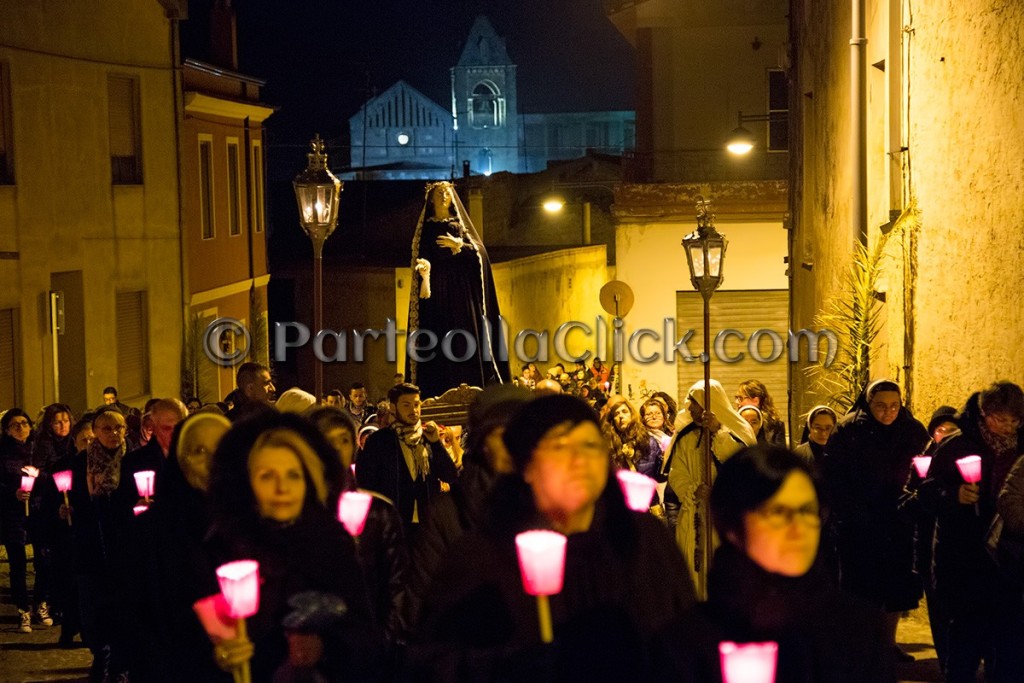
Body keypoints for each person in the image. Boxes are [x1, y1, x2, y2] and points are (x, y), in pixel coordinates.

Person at [411, 394, 696, 681]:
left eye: (590, 446)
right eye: (560, 447)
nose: (579, 460)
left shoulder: (642, 538)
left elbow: (684, 640)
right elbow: (437, 659)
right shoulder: (482, 555)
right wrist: (513, 665)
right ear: (526, 465)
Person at [658, 446, 893, 682]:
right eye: (778, 512)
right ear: (732, 524)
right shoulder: (685, 645)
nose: (798, 528)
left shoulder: (859, 631)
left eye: (807, 511)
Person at [206, 413, 379, 682]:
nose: (282, 488)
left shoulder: (331, 545)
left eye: (293, 475)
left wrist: (325, 648)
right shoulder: (226, 550)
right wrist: (223, 657)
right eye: (267, 476)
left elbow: (365, 639)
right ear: (248, 485)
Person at [402, 385, 532, 634]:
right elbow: (421, 610)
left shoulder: (553, 506)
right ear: (483, 443)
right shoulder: (447, 515)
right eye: (504, 434)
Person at [919, 382, 1024, 682]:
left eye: (1014, 420)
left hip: (1009, 559)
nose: (1007, 427)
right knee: (965, 642)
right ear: (983, 413)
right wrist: (953, 495)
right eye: (999, 419)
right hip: (965, 560)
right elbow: (925, 493)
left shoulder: (1021, 445)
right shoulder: (958, 444)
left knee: (1009, 647)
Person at [822, 379, 929, 663]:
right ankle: (862, 646)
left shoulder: (912, 430)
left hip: (898, 522)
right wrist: (848, 511)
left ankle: (888, 643)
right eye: (881, 406)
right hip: (859, 524)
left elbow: (924, 467)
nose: (888, 412)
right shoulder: (849, 429)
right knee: (861, 587)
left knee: (896, 587)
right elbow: (833, 476)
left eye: (894, 405)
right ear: (869, 404)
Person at [126, 413, 232, 682]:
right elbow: (142, 617)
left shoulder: (251, 523)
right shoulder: (153, 529)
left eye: (220, 449)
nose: (210, 460)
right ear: (180, 458)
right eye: (198, 450)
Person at [406, 181, 509, 397]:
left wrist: (459, 246)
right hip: (438, 291)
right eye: (439, 193)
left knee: (466, 337)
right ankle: (438, 391)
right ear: (431, 199)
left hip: (463, 293)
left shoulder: (460, 227)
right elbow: (422, 256)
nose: (444, 196)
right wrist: (424, 270)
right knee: (439, 338)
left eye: (447, 192)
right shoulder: (427, 229)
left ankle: (473, 386)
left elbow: (479, 256)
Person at [666, 379, 757, 587]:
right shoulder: (685, 436)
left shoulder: (736, 430)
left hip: (725, 516)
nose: (690, 408)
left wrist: (718, 431)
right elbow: (676, 473)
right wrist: (693, 490)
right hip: (694, 514)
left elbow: (743, 464)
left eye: (695, 403)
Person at [357, 383, 460, 543]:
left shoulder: (427, 438)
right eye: (406, 405)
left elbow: (450, 475)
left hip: (427, 526)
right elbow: (366, 485)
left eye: (417, 404)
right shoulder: (379, 442)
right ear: (393, 407)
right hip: (393, 526)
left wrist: (435, 444)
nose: (413, 410)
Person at [1, 408, 47, 633]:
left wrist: (38, 479)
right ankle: (22, 610)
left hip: (38, 512)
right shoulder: (2, 452)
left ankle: (40, 603)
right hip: (12, 515)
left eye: (24, 423)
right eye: (15, 425)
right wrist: (13, 493)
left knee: (43, 559)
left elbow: (50, 477)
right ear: (7, 430)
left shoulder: (37, 450)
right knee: (17, 562)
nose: (21, 428)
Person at [602, 395, 663, 480]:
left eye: (624, 411)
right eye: (616, 414)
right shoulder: (609, 445)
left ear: (632, 415)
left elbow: (659, 475)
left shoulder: (648, 441)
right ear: (613, 421)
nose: (621, 416)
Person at [735, 380, 787, 447]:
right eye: (736, 398)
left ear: (756, 401)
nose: (736, 402)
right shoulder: (733, 425)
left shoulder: (775, 426)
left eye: (740, 398)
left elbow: (780, 454)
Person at [792, 405, 837, 471]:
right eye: (817, 428)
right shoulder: (798, 455)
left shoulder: (842, 454)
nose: (823, 433)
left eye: (828, 428)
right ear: (810, 427)